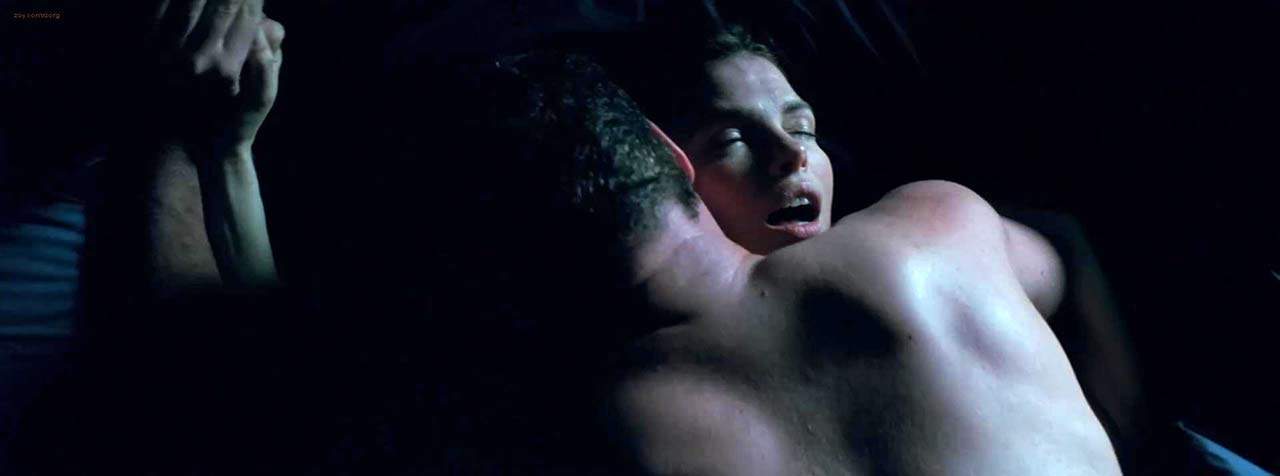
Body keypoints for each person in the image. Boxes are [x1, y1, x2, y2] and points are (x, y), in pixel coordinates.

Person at [455, 51, 1123, 475]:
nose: (791, 154)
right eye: (732, 138)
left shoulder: (597, 435)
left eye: (803, 125)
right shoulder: (939, 228)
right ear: (677, 157)